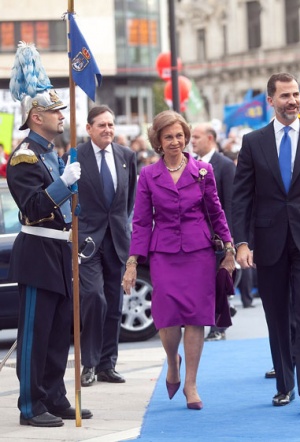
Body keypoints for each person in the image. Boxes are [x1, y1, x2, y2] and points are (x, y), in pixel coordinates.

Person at [232, 72, 300, 416]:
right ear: (270, 101)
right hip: (269, 243)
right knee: (277, 315)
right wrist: (242, 242)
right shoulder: (253, 142)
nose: (292, 101)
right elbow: (241, 199)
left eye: (296, 95)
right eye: (285, 96)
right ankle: (284, 384)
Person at [122, 111, 235, 410]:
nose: (175, 141)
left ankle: (191, 383)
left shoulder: (202, 171)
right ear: (158, 142)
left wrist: (229, 248)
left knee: (197, 318)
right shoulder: (148, 175)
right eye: (168, 137)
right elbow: (142, 222)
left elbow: (216, 211)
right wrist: (132, 262)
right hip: (165, 253)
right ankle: (173, 361)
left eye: (179, 135)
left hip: (199, 252)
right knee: (167, 317)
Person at [6, 42, 91, 427]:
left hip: (60, 251)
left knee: (59, 333)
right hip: (38, 251)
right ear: (36, 117)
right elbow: (34, 208)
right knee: (35, 335)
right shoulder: (24, 157)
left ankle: (55, 397)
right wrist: (63, 185)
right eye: (55, 112)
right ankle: (30, 405)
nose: (62, 116)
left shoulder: (54, 155)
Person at [76, 106, 137, 387]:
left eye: (111, 125)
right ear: (89, 129)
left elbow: (128, 202)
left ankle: (106, 365)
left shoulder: (127, 156)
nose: (108, 130)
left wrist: (125, 231)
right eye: (101, 125)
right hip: (88, 242)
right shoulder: (76, 156)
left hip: (117, 240)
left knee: (114, 304)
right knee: (93, 298)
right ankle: (88, 363)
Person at [190, 123, 240, 342]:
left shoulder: (225, 165)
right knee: (203, 282)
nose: (192, 141)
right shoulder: (191, 165)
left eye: (197, 137)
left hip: (218, 236)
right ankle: (211, 320)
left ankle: (218, 327)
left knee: (218, 281)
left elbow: (230, 203)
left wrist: (228, 237)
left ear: (210, 139)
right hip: (197, 235)